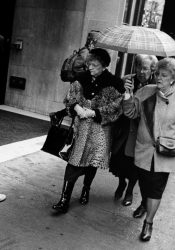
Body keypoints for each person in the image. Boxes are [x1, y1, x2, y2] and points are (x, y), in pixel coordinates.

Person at [123, 58, 175, 241]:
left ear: (173, 79)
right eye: (157, 74)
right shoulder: (146, 91)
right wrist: (128, 95)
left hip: (165, 153)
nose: (158, 78)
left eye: (164, 75)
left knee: (156, 188)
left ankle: (149, 222)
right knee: (144, 182)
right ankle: (144, 204)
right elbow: (131, 113)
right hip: (143, 150)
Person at [52, 48, 125, 213]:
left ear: (104, 65)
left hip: (101, 129)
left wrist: (95, 112)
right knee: (74, 161)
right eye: (89, 64)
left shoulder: (115, 82)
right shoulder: (80, 78)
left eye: (94, 65)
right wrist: (77, 108)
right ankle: (64, 199)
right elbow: (71, 97)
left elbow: (116, 107)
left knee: (92, 160)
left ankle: (86, 189)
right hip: (82, 127)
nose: (90, 67)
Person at [110, 54, 158, 208]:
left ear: (152, 69)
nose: (141, 71)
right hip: (124, 127)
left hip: (141, 129)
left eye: (145, 68)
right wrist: (126, 93)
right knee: (119, 159)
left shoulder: (155, 86)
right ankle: (121, 183)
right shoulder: (127, 80)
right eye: (138, 67)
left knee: (134, 163)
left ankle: (130, 190)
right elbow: (115, 101)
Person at [49, 31, 101, 126]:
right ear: (92, 41)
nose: (98, 44)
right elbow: (86, 68)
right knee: (76, 105)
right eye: (97, 41)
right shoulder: (86, 52)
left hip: (81, 82)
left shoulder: (87, 52)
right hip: (79, 83)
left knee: (78, 105)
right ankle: (58, 116)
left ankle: (58, 116)